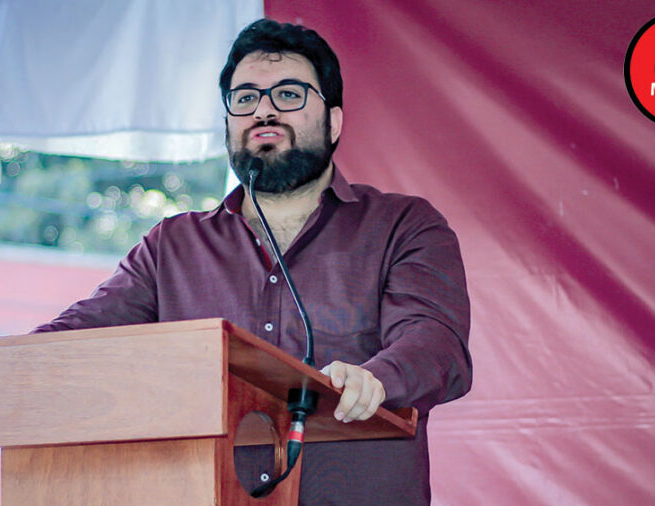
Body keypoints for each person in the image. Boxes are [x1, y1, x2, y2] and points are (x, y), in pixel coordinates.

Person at [35, 18, 471, 505]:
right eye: (244, 98)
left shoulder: (403, 226)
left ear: (334, 122)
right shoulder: (171, 246)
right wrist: (11, 363)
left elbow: (436, 345)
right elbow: (80, 333)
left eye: (288, 94)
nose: (263, 109)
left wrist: (375, 379)